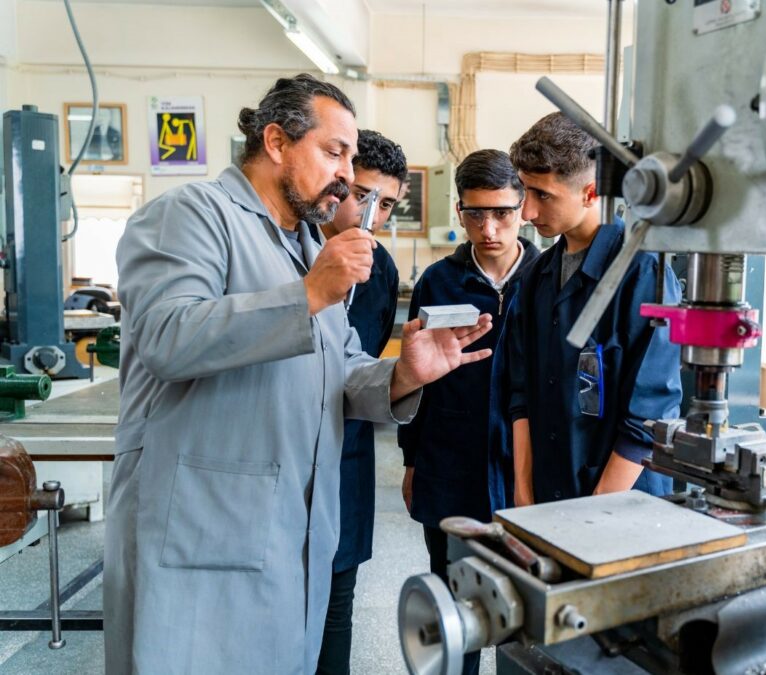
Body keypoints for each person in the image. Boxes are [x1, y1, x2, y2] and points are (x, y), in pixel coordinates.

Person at [104, 74, 493, 674]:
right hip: (203, 523)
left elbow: (337, 375)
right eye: (334, 152)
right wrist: (309, 293)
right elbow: (164, 338)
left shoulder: (309, 244)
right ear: (278, 141)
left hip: (293, 526)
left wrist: (403, 376)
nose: (345, 175)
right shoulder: (190, 215)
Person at [506, 112, 682, 506]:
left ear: (590, 193)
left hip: (623, 506)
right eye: (524, 191)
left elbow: (648, 419)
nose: (527, 213)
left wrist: (593, 511)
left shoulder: (643, 276)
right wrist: (522, 491)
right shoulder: (536, 278)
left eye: (543, 195)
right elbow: (521, 394)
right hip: (547, 495)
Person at [399, 148, 539, 569]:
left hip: (525, 470)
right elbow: (415, 381)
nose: (489, 228)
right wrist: (411, 463)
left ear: (523, 206)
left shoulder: (546, 280)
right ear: (459, 211)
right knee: (453, 598)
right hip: (449, 467)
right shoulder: (437, 283)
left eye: (501, 213)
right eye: (475, 214)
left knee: (522, 607)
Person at [312, 129, 405, 675]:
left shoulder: (382, 270)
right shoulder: (290, 251)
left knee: (338, 601)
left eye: (387, 203)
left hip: (347, 455)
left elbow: (361, 370)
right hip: (285, 452)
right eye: (362, 195)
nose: (373, 214)